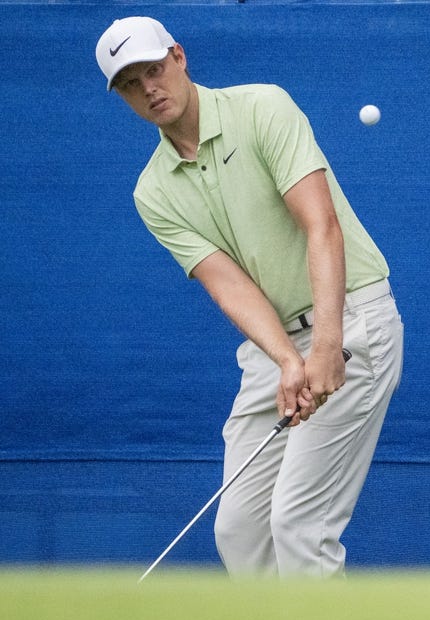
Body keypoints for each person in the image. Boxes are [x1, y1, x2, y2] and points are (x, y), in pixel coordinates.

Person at [95, 17, 403, 578]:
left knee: (299, 524)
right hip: (273, 348)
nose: (149, 89)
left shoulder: (262, 107)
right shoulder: (153, 191)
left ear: (179, 57)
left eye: (154, 70)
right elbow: (228, 282)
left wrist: (326, 344)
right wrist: (289, 359)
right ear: (121, 97)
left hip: (351, 321)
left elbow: (322, 226)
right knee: (239, 529)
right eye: (131, 85)